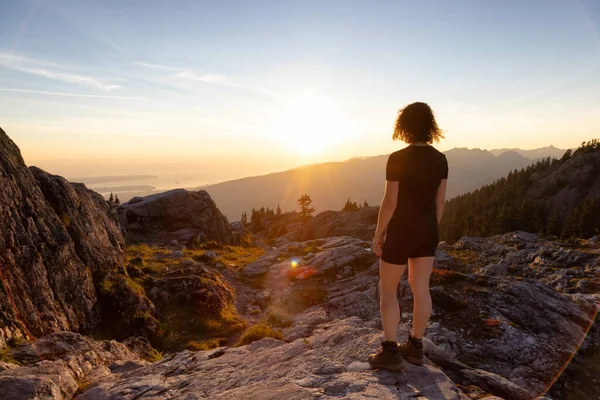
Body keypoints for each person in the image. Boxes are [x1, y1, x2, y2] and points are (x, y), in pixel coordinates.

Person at [367, 102, 448, 371]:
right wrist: (430, 229)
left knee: (388, 289)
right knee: (420, 287)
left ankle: (390, 351)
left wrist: (379, 232)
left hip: (402, 228)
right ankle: (415, 346)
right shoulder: (440, 159)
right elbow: (441, 202)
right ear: (430, 126)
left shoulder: (397, 158)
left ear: (404, 126)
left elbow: (390, 202)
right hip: (428, 228)